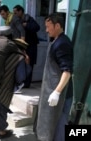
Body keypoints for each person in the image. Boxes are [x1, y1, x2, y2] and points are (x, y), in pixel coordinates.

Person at [35, 13, 73, 141]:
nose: (46, 30)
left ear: (57, 25)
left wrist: (57, 92)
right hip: (51, 93)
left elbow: (67, 71)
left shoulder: (62, 43)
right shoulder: (55, 40)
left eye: (48, 27)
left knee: (59, 128)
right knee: (49, 126)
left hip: (61, 96)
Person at [13, 5, 40, 88]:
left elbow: (37, 27)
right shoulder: (17, 20)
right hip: (22, 46)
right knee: (21, 63)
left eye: (16, 12)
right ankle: (22, 81)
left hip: (31, 46)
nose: (15, 14)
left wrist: (26, 25)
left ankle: (27, 83)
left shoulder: (28, 18)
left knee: (29, 63)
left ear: (20, 11)